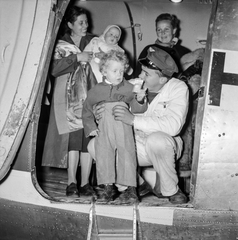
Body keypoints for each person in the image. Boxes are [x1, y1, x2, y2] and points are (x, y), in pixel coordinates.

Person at [88, 46, 189, 204]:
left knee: (157, 140)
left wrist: (134, 120)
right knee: (95, 145)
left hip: (164, 145)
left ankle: (171, 190)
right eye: (142, 70)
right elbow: (106, 98)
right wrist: (98, 110)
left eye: (146, 74)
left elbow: (173, 126)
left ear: (162, 79)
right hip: (134, 143)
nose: (140, 75)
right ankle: (133, 185)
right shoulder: (132, 85)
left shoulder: (178, 88)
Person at [42, 6, 97, 198]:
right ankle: (71, 181)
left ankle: (86, 183)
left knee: (88, 139)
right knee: (73, 140)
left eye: (86, 22)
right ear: (70, 24)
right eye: (81, 22)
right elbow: (53, 69)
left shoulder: (94, 41)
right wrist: (77, 57)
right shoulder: (59, 44)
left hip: (90, 96)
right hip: (67, 100)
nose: (85, 25)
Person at [82, 50, 146, 204]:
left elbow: (138, 110)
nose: (119, 74)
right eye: (115, 71)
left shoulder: (130, 87)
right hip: (104, 130)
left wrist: (140, 99)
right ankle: (107, 187)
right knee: (103, 155)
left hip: (123, 127)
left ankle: (130, 189)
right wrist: (91, 127)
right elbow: (87, 109)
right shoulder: (95, 91)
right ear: (104, 71)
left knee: (127, 155)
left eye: (122, 71)